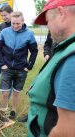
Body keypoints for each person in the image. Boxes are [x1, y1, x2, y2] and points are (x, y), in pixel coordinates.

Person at [27, 0, 75, 136]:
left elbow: (67, 131)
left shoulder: (73, 57)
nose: (48, 27)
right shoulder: (66, 47)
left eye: (47, 21)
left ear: (61, 13)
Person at [0, 11, 38, 119]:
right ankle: (3, 112)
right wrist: (2, 63)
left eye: (18, 23)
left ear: (23, 21)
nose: (15, 26)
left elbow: (34, 51)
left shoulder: (29, 34)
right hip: (7, 68)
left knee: (16, 93)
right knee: (4, 93)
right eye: (13, 23)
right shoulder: (4, 32)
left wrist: (29, 66)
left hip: (21, 69)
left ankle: (13, 110)